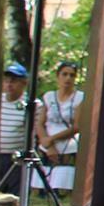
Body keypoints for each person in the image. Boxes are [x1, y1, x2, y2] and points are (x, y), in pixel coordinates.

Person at [37, 61, 83, 192]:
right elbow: (40, 123)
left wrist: (52, 139)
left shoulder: (80, 98)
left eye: (72, 75)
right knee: (45, 185)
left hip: (69, 144)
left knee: (64, 184)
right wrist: (47, 143)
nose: (68, 78)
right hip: (47, 143)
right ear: (58, 76)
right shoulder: (48, 96)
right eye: (65, 74)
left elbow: (77, 126)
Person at [0, 62, 38, 186]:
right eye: (7, 80)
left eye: (14, 80)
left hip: (17, 157)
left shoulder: (31, 104)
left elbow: (34, 131)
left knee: (15, 194)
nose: (9, 84)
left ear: (24, 83)